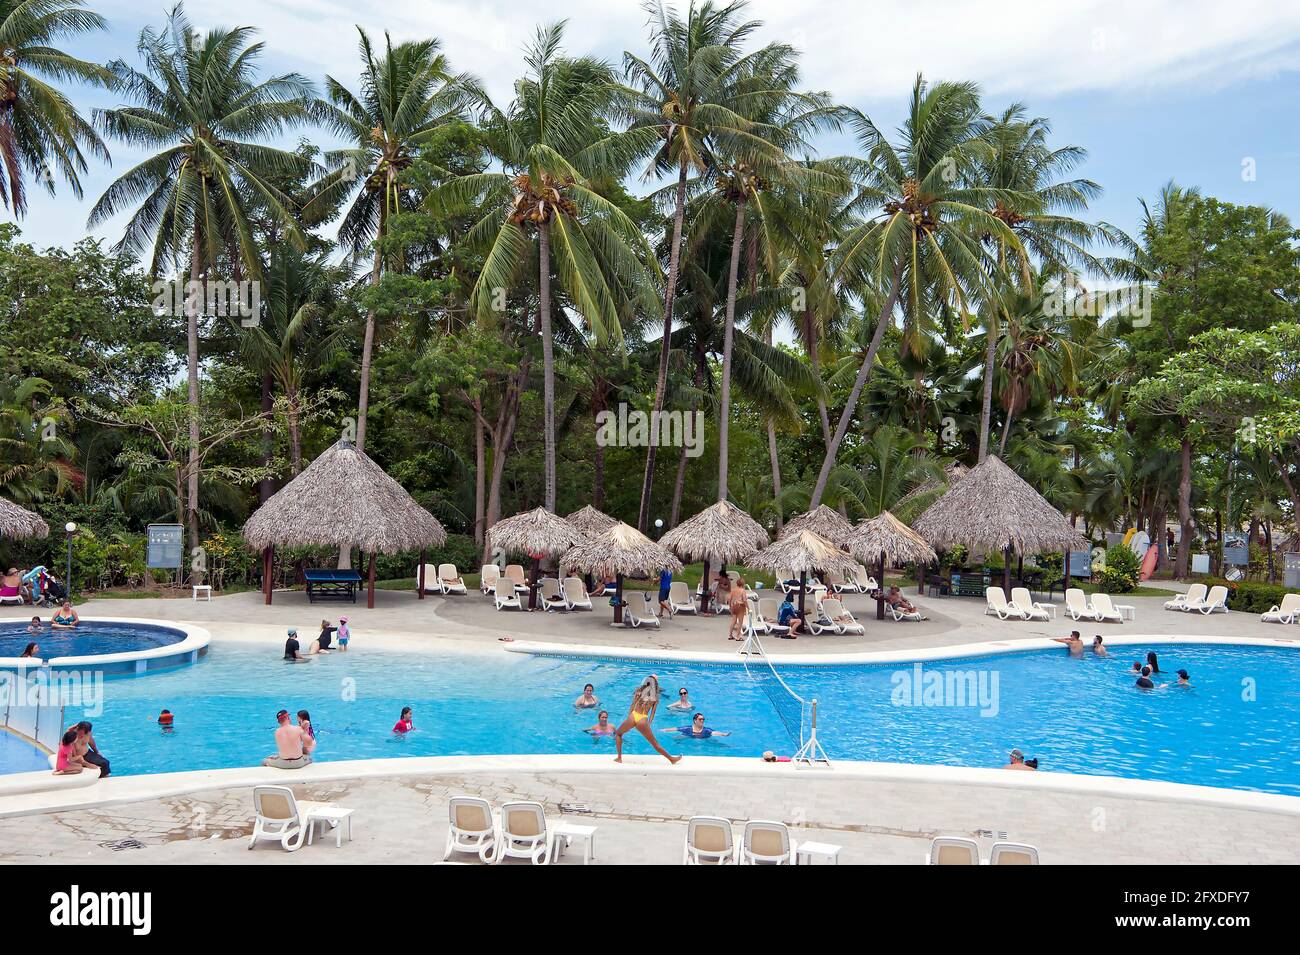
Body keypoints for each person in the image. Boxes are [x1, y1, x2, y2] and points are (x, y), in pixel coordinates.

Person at [614, 674, 681, 765]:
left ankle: (619, 758)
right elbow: (653, 713)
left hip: (633, 716)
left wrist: (629, 718)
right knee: (655, 744)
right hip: (643, 719)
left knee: (618, 734)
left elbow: (633, 705)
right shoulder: (656, 697)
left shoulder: (639, 690)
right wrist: (648, 723)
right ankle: (671, 759)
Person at [727, 577, 749, 641]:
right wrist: (748, 607)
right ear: (743, 584)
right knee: (740, 622)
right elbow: (744, 600)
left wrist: (730, 607)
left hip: (733, 605)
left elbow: (729, 599)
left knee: (733, 621)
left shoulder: (733, 590)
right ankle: (738, 636)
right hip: (740, 606)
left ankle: (730, 635)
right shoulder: (743, 591)